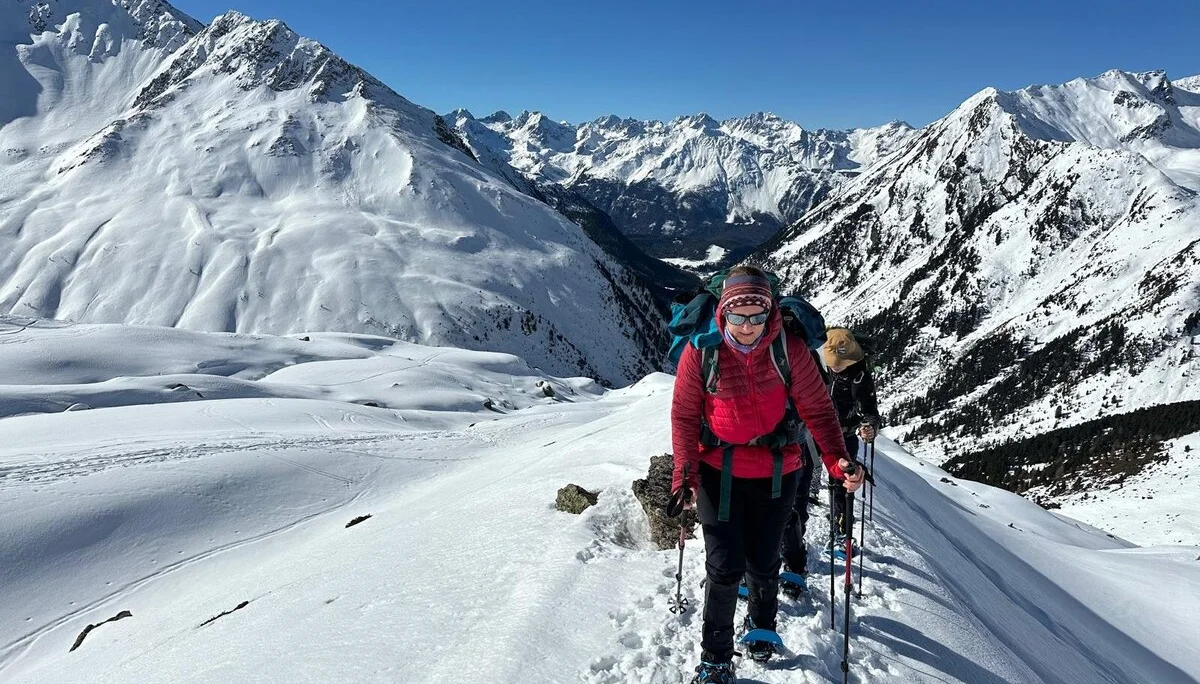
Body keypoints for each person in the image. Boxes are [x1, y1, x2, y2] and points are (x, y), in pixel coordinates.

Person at [671, 267, 865, 684]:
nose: (747, 327)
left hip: (777, 471)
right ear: (722, 313)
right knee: (723, 567)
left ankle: (762, 626)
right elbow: (685, 416)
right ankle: (715, 658)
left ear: (770, 312)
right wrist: (683, 477)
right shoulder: (700, 351)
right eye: (738, 317)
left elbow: (818, 411)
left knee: (763, 559)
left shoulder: (790, 350)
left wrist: (836, 460)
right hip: (716, 473)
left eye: (757, 316)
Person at [819, 327, 882, 557]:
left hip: (843, 432)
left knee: (843, 482)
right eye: (833, 362)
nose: (835, 366)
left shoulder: (860, 375)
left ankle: (841, 533)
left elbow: (869, 407)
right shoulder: (820, 363)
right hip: (818, 428)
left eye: (840, 363)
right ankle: (817, 496)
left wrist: (869, 425)